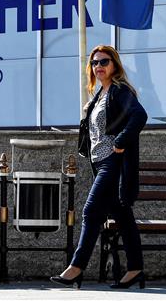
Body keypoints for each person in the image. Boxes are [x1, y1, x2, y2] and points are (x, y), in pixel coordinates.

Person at [50, 45, 148, 290]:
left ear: (114, 64)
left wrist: (121, 142)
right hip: (99, 161)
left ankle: (76, 267)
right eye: (95, 63)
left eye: (104, 62)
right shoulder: (99, 94)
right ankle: (135, 269)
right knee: (123, 217)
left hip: (112, 161)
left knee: (91, 211)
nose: (99, 67)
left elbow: (140, 116)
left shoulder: (119, 90)